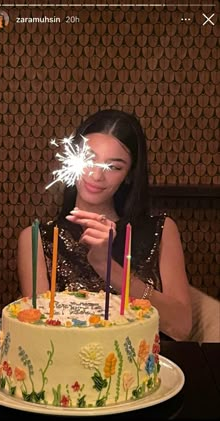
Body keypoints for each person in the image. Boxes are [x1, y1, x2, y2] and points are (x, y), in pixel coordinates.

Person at [17, 109, 192, 341]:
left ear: (129, 175)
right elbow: (39, 334)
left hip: (140, 372)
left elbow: (181, 329)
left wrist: (109, 268)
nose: (97, 176)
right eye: (89, 158)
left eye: (114, 167)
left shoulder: (160, 230)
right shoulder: (37, 238)